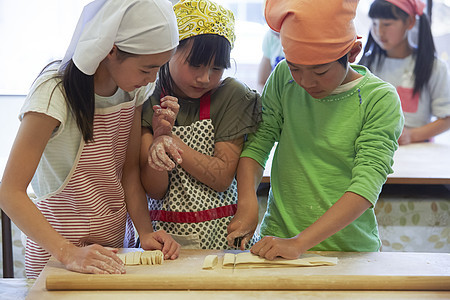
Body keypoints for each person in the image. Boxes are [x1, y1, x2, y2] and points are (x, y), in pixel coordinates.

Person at [0, 0, 181, 279]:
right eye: (146, 69)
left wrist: (144, 232)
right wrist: (67, 252)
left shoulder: (130, 91)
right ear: (111, 50)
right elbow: (9, 192)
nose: (152, 80)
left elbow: (128, 172)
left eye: (159, 68)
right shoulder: (54, 93)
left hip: (112, 252)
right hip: (57, 257)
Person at [233, 0, 404, 259]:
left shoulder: (378, 99)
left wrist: (299, 243)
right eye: (295, 68)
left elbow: (366, 185)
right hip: (277, 240)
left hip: (349, 251)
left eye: (321, 71)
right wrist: (247, 202)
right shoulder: (282, 78)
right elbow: (258, 144)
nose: (305, 82)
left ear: (353, 52)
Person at [140, 0, 261, 250]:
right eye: (195, 65)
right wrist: (158, 140)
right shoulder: (147, 96)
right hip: (166, 242)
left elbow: (221, 178)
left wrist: (172, 142)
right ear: (170, 51)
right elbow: (154, 190)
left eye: (216, 68)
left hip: (223, 238)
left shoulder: (231, 96)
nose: (205, 78)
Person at [359, 0, 450, 145]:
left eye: (387, 24)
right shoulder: (366, 65)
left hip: (417, 150)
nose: (379, 31)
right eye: (375, 24)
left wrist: (412, 135)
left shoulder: (434, 67)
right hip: (371, 146)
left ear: (410, 22)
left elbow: (446, 118)